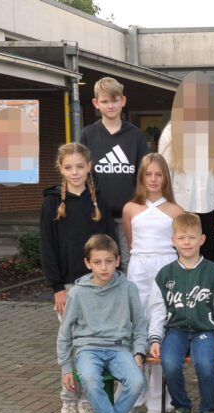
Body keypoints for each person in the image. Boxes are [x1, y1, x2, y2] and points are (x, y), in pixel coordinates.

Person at [40, 142, 116, 413]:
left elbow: (110, 246)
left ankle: (86, 401)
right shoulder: (51, 204)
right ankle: (68, 403)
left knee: (91, 345)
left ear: (89, 167)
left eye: (80, 167)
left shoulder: (100, 204)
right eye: (69, 167)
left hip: (98, 286)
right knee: (70, 345)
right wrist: (57, 287)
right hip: (69, 288)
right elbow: (48, 248)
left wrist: (112, 282)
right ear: (61, 169)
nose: (75, 172)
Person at [57, 234, 147, 413]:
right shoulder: (78, 292)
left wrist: (139, 352)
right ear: (88, 263)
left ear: (117, 260)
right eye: (97, 262)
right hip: (88, 349)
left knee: (137, 381)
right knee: (90, 379)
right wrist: (66, 367)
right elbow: (65, 332)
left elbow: (140, 325)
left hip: (119, 349)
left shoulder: (128, 288)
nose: (104, 267)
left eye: (108, 261)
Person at [146, 213, 214, 413]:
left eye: (192, 238)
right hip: (176, 330)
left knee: (205, 365)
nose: (187, 243)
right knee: (169, 363)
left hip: (205, 331)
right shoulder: (165, 274)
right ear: (173, 240)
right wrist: (155, 338)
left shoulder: (213, 272)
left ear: (202, 239)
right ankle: (182, 409)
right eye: (182, 238)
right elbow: (157, 310)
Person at [123, 153, 184, 413]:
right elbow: (131, 242)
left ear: (166, 178)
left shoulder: (176, 210)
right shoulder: (130, 208)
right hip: (139, 269)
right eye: (148, 174)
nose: (153, 179)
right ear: (141, 178)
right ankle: (134, 397)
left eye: (158, 174)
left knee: (162, 331)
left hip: (166, 267)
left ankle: (159, 399)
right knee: (137, 330)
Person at [80, 77, 151, 272]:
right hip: (98, 214)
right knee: (102, 263)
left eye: (115, 100)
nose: (110, 106)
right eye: (104, 101)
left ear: (123, 101)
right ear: (96, 103)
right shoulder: (88, 134)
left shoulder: (136, 136)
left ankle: (128, 293)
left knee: (128, 262)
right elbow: (82, 173)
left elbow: (144, 175)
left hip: (129, 214)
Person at [158, 71, 214, 263]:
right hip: (180, 206)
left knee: (207, 257)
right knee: (180, 256)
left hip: (209, 207)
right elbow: (164, 174)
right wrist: (167, 206)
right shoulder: (171, 131)